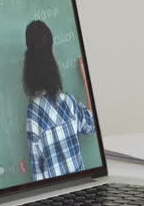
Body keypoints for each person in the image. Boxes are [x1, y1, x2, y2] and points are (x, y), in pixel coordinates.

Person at [22, 19, 96, 181]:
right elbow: (91, 124)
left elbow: (37, 172)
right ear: (51, 55)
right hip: (82, 190)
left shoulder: (32, 112)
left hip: (56, 196)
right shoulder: (67, 102)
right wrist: (86, 80)